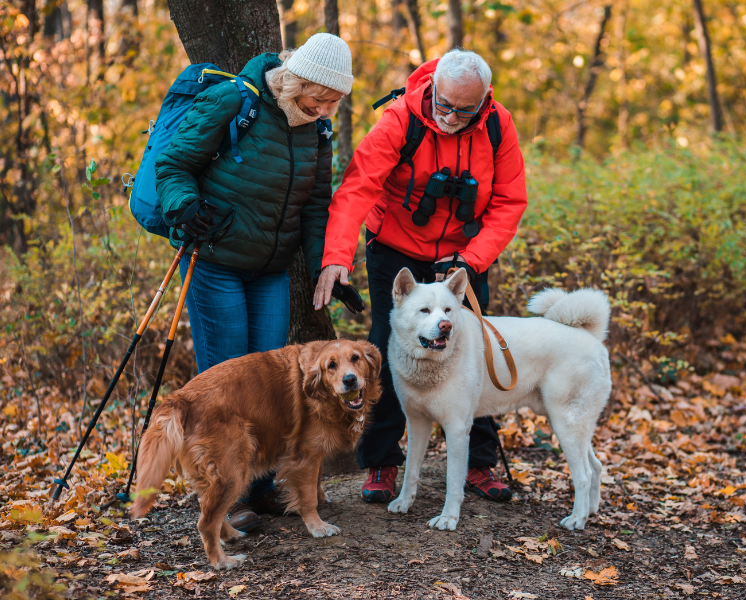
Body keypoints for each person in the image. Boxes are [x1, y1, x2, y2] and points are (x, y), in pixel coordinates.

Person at [155, 33, 353, 532]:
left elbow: (315, 207)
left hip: (271, 271)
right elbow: (172, 163)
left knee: (270, 386)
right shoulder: (235, 100)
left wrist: (329, 265)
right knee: (226, 383)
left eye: (335, 101)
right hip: (214, 261)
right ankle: (224, 493)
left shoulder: (318, 131)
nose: (327, 109)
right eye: (321, 97)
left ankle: (261, 487)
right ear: (296, 82)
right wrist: (184, 206)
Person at [314, 49, 527, 504]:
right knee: (386, 348)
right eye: (444, 105)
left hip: (463, 259)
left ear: (485, 100)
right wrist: (337, 256)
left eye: (463, 110)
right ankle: (382, 463)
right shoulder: (400, 118)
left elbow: (510, 202)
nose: (450, 116)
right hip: (397, 251)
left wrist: (472, 260)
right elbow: (355, 191)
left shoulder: (496, 124)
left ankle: (478, 464)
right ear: (434, 90)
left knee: (473, 346)